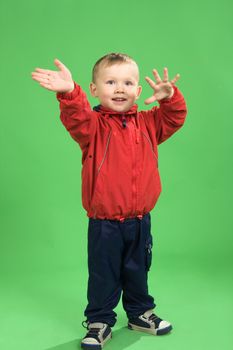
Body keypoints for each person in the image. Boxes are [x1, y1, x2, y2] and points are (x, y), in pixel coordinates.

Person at [31, 53, 187, 349]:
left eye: (127, 82)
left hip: (140, 220)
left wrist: (170, 98)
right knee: (103, 275)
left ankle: (140, 313)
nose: (119, 88)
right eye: (111, 82)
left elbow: (174, 118)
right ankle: (100, 321)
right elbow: (75, 115)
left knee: (138, 269)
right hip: (104, 223)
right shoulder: (93, 128)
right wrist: (69, 92)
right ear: (94, 89)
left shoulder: (149, 124)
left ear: (138, 91)